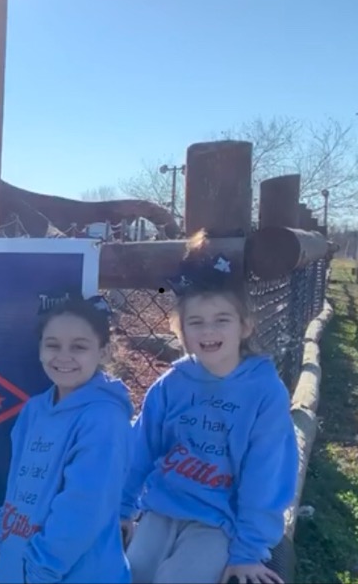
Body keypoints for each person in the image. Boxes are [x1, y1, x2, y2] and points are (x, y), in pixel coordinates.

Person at [121, 230, 298, 584]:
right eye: (196, 322)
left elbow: (266, 475)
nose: (208, 331)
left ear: (245, 325)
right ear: (181, 330)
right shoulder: (172, 384)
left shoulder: (263, 392)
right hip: (162, 508)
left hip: (221, 519)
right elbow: (139, 450)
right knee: (133, 572)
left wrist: (248, 550)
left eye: (222, 320)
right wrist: (123, 509)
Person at [0, 294, 133, 583]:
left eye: (79, 347)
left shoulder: (104, 420)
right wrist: (4, 543)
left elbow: (84, 508)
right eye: (52, 345)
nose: (63, 356)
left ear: (104, 352)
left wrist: (40, 571)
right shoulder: (34, 410)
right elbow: (16, 485)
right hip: (19, 568)